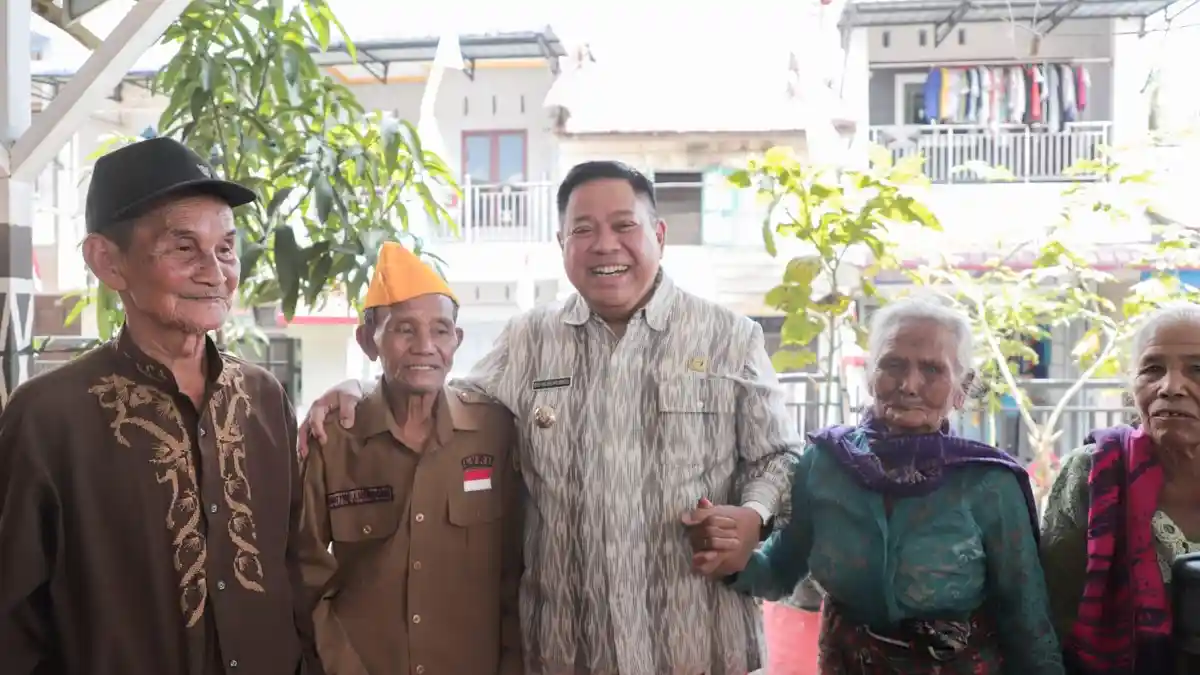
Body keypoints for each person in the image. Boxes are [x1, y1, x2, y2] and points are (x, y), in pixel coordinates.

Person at [300, 160, 800, 675]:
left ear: (659, 233)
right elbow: (435, 392)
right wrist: (358, 387)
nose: (605, 244)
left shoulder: (729, 338)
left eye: (624, 225)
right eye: (583, 230)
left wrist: (754, 516)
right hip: (567, 654)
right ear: (562, 242)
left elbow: (781, 458)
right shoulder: (528, 342)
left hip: (695, 649)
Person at [0, 138, 320, 675]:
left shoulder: (264, 398)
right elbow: (12, 623)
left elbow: (295, 570)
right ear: (108, 260)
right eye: (183, 248)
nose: (216, 273)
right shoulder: (48, 418)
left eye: (225, 248)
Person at [693, 297, 1064, 674]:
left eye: (933, 370)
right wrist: (733, 560)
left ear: (962, 388)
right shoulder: (825, 463)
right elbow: (779, 570)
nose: (909, 384)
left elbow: (1026, 617)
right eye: (893, 364)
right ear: (870, 373)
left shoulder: (989, 481)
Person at [296, 242, 521, 675]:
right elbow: (305, 574)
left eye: (440, 330)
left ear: (457, 341)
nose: (425, 346)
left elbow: (517, 569)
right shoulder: (334, 439)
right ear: (368, 341)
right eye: (404, 329)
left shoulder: (495, 431)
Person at [1042, 302, 1200, 675]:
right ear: (1132, 387)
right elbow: (1051, 613)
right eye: (1153, 369)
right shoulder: (1093, 472)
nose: (1171, 387)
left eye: (1198, 369)